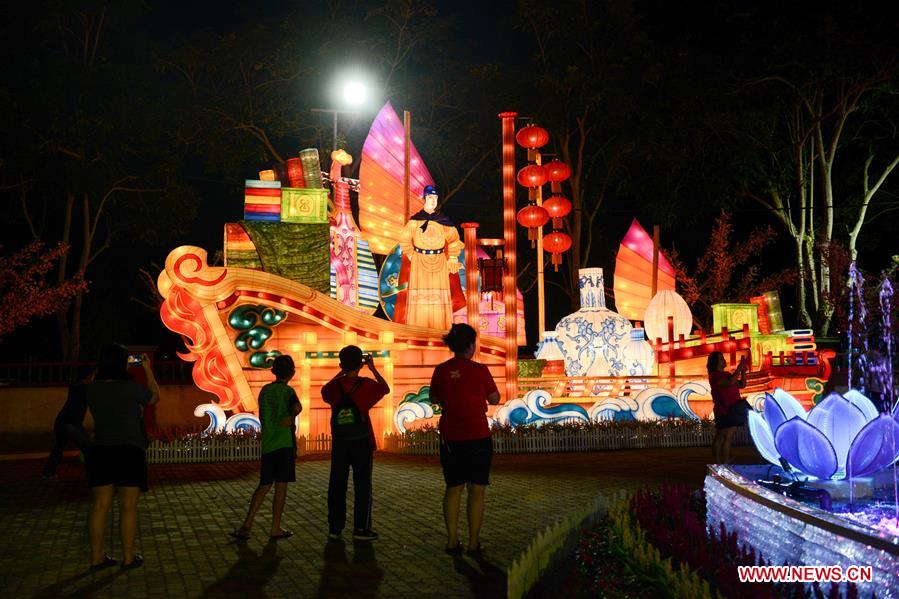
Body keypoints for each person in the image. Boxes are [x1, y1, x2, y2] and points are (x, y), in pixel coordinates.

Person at [85, 344, 160, 571]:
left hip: (101, 450)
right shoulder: (130, 387)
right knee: (128, 506)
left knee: (99, 506)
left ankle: (97, 557)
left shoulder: (92, 389)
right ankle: (128, 557)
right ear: (122, 363)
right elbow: (154, 398)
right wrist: (147, 370)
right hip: (129, 450)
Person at [429, 323, 500, 556]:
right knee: (477, 489)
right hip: (478, 435)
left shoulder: (440, 370)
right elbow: (495, 398)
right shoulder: (480, 370)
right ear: (471, 346)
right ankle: (473, 543)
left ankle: (451, 541)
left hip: (451, 437)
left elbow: (434, 397)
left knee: (453, 488)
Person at [321, 345, 389, 541]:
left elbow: (325, 391)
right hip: (361, 442)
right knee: (363, 485)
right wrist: (373, 368)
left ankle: (335, 527)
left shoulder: (334, 387)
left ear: (341, 364)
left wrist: (341, 371)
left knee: (337, 484)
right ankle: (361, 528)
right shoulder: (367, 385)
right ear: (361, 363)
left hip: (340, 442)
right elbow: (385, 388)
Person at [231, 355, 302, 541]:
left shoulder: (265, 391)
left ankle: (247, 524)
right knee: (281, 486)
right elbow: (297, 407)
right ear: (292, 373)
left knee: (264, 485)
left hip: (268, 445)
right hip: (284, 444)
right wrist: (292, 415)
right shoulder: (288, 392)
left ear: (273, 371)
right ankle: (275, 528)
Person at [394, 185, 466, 329]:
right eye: (430, 197)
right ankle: (418, 329)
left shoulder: (443, 221)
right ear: (424, 198)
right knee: (420, 299)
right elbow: (404, 239)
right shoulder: (415, 221)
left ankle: (440, 329)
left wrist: (452, 258)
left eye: (435, 198)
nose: (433, 201)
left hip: (439, 261)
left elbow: (454, 240)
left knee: (438, 298)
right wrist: (411, 254)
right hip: (419, 262)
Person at [42, 364, 94, 479]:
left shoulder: (74, 386)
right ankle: (94, 477)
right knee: (88, 448)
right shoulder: (87, 388)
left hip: (61, 421)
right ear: (89, 375)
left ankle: (48, 472)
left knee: (59, 446)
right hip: (72, 423)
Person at [708, 351, 748, 464]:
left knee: (727, 437)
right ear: (715, 363)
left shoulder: (727, 374)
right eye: (720, 359)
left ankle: (724, 462)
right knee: (721, 436)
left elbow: (742, 384)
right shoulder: (715, 375)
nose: (723, 360)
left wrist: (743, 371)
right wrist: (739, 369)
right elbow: (729, 382)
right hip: (723, 409)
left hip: (733, 409)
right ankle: (719, 462)